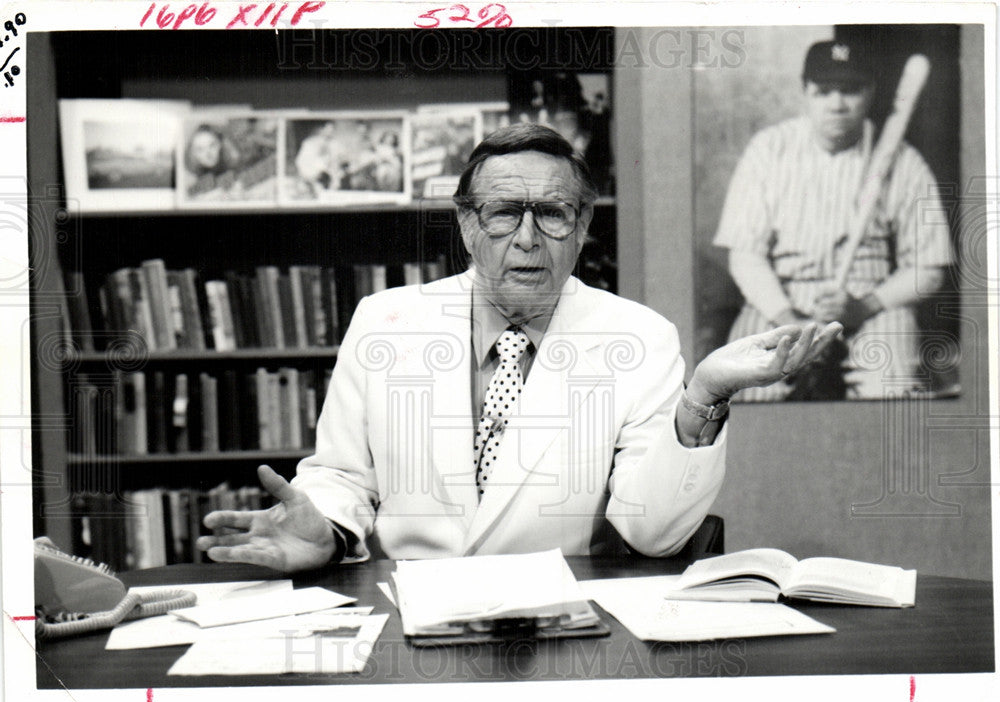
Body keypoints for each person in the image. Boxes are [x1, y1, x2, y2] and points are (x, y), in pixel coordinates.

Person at [197, 124, 840, 572]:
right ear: (467, 223)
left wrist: (704, 395)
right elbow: (341, 475)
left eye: (554, 213)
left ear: (583, 226)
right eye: (505, 212)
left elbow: (652, 533)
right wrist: (328, 531)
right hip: (406, 610)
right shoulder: (384, 321)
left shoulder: (639, 337)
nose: (528, 239)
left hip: (565, 619)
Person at [713, 39, 953, 401]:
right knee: (741, 394)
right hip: (780, 301)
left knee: (890, 395)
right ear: (805, 91)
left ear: (870, 92)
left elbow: (929, 267)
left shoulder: (903, 160)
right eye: (824, 91)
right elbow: (745, 256)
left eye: (850, 90)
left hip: (869, 303)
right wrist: (786, 317)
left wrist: (865, 306)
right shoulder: (769, 149)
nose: (837, 104)